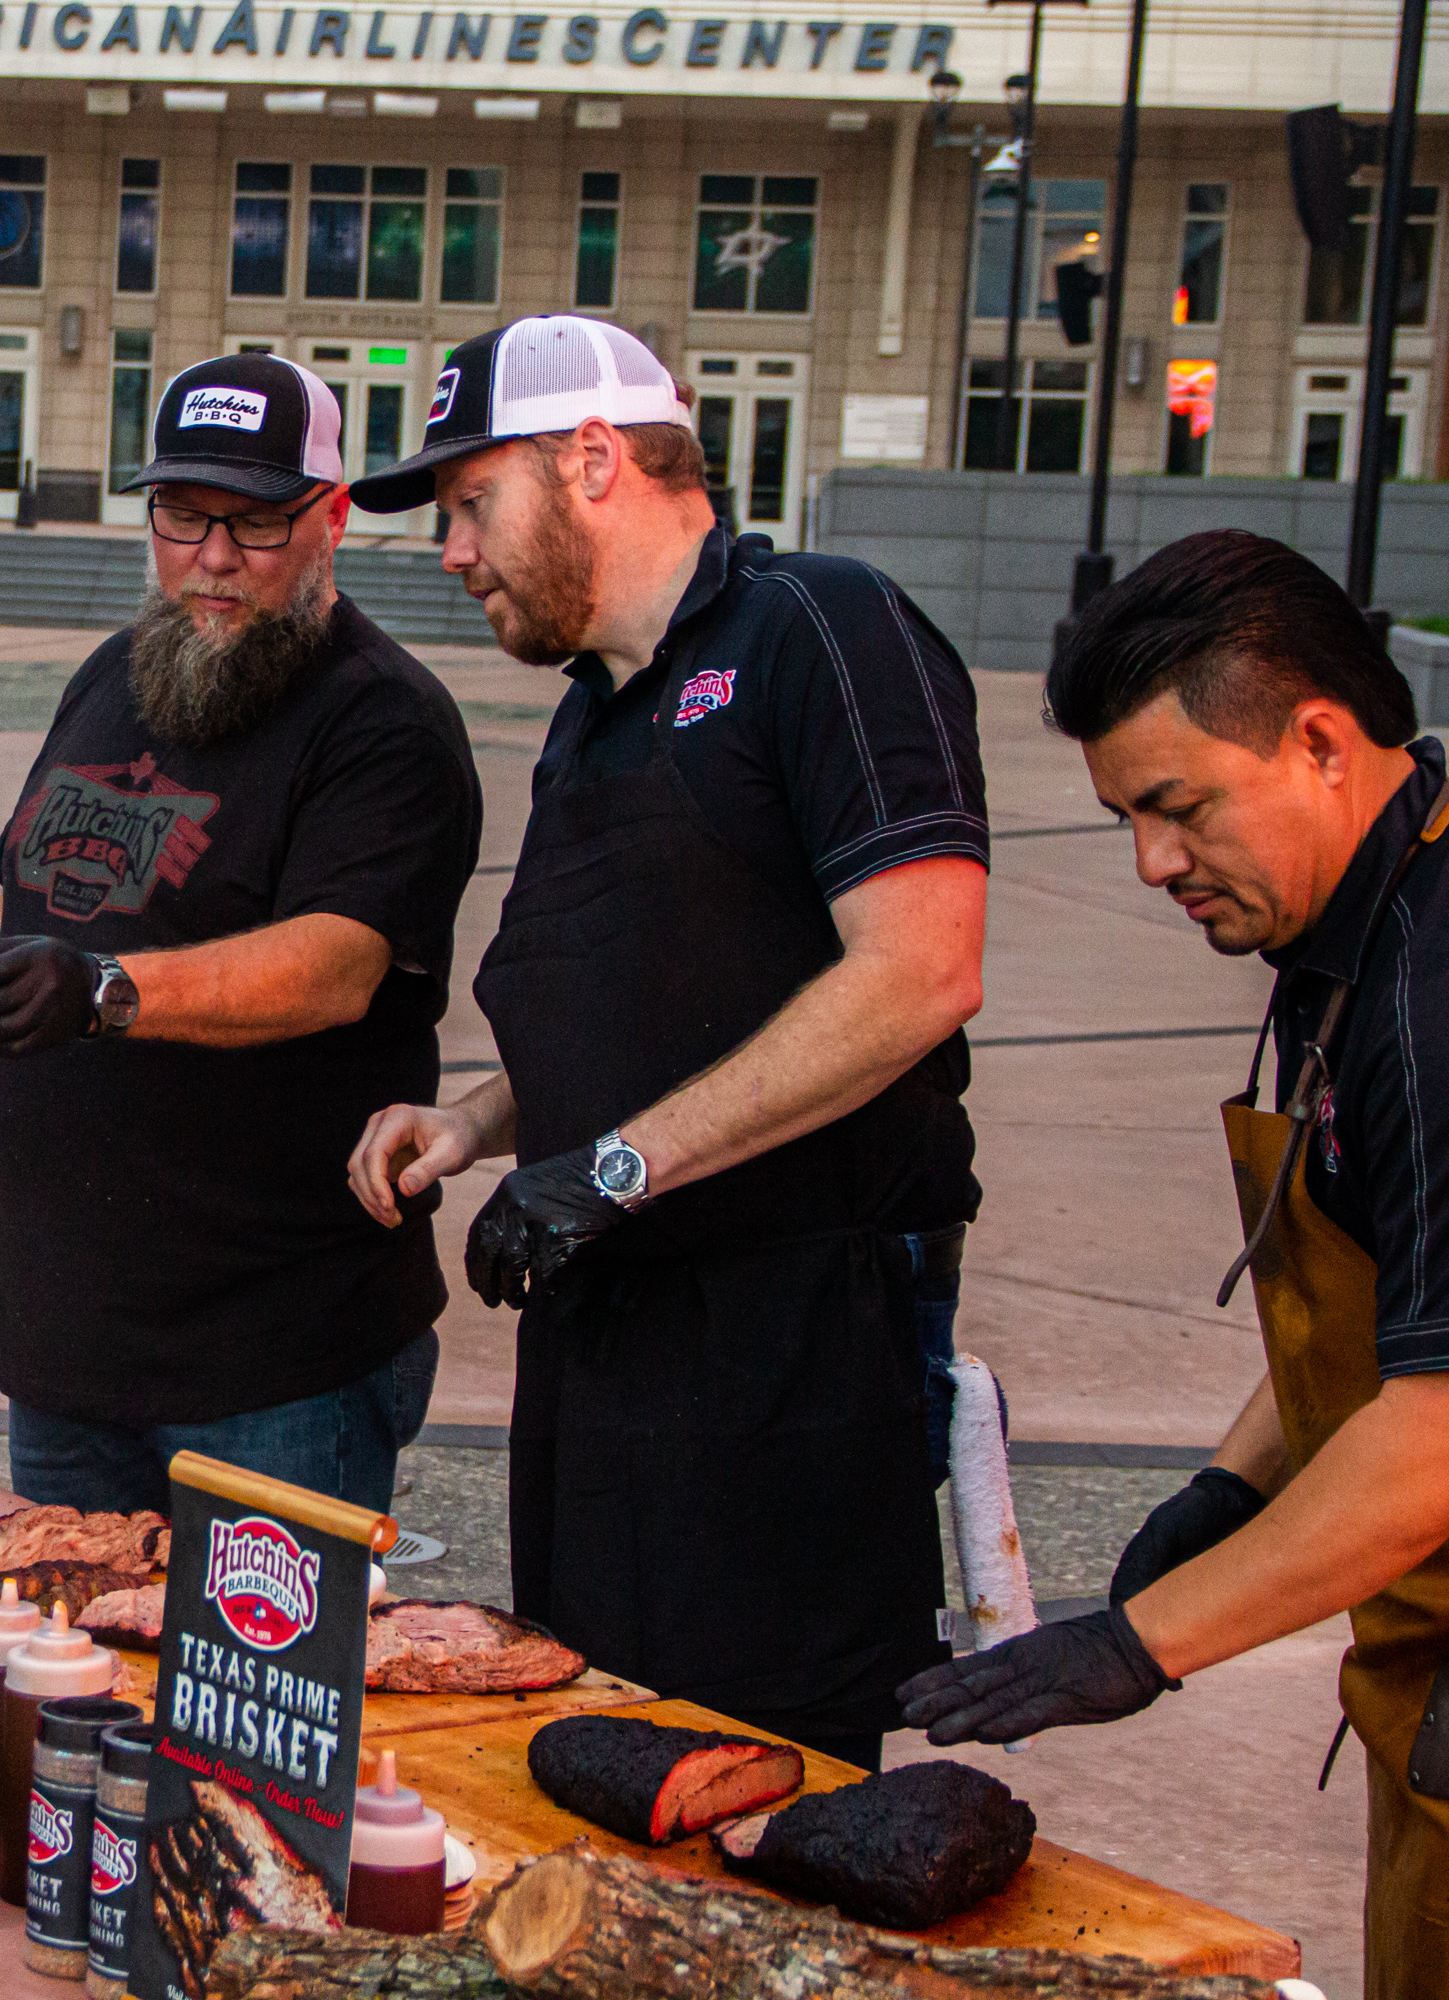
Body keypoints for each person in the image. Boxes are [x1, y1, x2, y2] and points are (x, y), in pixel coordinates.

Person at [900, 530, 1449, 1998]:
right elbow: (1392, 1302)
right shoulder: (1346, 939)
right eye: (1122, 818)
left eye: (1176, 808)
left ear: (1318, 742)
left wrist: (1144, 1644)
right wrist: (1238, 1483)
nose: (1153, 862)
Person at [341, 317, 988, 1770]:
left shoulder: (824, 627)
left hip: (789, 1351)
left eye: (469, 502)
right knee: (590, 1740)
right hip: (604, 1341)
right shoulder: (592, 718)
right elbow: (655, 1010)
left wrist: (614, 1167)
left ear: (591, 460)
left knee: (752, 1783)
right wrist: (482, 1126)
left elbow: (921, 974)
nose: (451, 551)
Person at [0, 352, 482, 1514]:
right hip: (67, 1346)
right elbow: (27, 896)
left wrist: (102, 990)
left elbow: (336, 966)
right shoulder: (115, 672)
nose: (210, 556)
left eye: (255, 523)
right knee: (77, 1685)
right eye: (181, 514)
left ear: (334, 517)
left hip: (276, 1360)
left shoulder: (383, 717)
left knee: (245, 1698)